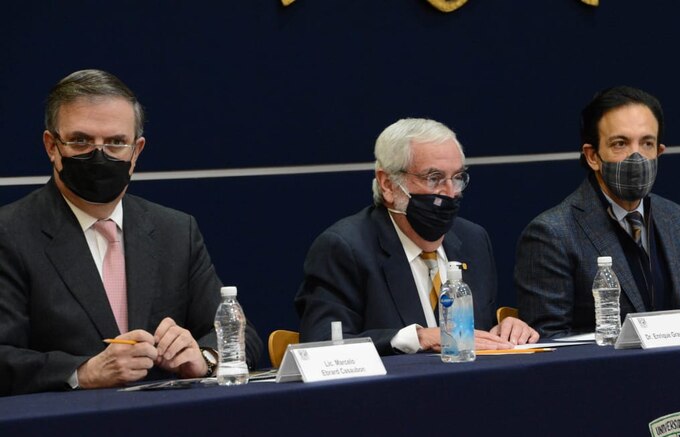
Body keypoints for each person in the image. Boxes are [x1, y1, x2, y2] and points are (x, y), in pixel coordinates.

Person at [0, 69, 263, 395]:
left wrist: (204, 356)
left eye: (115, 143)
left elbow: (241, 335)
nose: (99, 155)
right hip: (60, 433)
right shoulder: (10, 234)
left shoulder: (175, 231)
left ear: (136, 151)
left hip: (169, 426)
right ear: (52, 146)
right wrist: (82, 372)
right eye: (81, 141)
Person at [295, 118, 538, 355]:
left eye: (457, 178)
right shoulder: (344, 248)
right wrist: (417, 338)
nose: (450, 193)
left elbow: (472, 338)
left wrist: (504, 332)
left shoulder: (472, 239)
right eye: (434, 179)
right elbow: (322, 345)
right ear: (388, 184)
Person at [514, 85, 680, 338]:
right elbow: (548, 340)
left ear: (659, 152)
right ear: (593, 156)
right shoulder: (552, 233)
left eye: (646, 143)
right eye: (620, 143)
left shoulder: (679, 220)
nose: (636, 156)